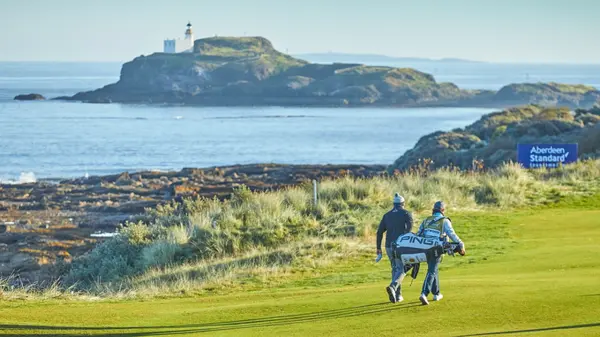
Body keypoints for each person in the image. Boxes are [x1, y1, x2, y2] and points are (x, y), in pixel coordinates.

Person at [416, 201, 465, 305]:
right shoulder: (445, 221)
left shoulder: (426, 220)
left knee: (433, 268)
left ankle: (436, 293)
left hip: (424, 248)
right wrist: (461, 244)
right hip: (436, 248)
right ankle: (424, 293)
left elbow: (418, 234)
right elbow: (452, 235)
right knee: (432, 270)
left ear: (433, 210)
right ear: (442, 210)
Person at [376, 193, 413, 303]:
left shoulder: (387, 215)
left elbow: (379, 232)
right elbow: (409, 229)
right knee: (401, 269)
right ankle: (393, 287)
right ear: (403, 204)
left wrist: (378, 248)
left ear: (394, 204)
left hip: (388, 246)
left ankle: (397, 295)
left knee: (395, 268)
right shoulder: (406, 213)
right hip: (400, 246)